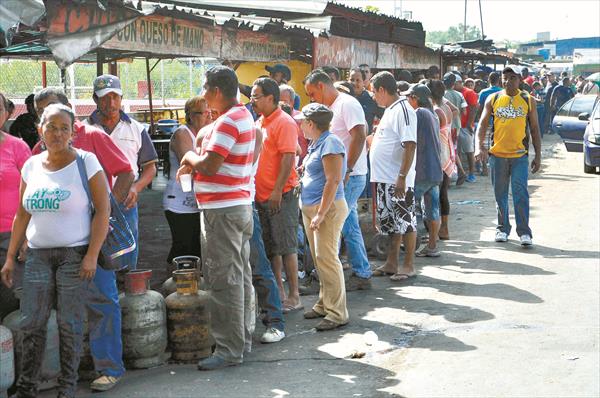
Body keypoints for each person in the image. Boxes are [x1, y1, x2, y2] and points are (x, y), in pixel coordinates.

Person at [1, 103, 110, 398]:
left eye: (64, 128)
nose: (58, 134)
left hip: (74, 256)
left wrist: (91, 255)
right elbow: (22, 214)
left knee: (69, 323)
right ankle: (27, 387)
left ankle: (67, 387)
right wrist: (11, 256)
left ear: (73, 132)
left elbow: (103, 211)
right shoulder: (32, 165)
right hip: (36, 255)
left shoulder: (86, 163)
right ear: (40, 130)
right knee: (31, 322)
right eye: (51, 127)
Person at [31, 87, 134, 392]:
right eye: (42, 111)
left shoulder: (93, 136)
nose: (49, 117)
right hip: (56, 244)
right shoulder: (40, 149)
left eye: (52, 108)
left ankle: (109, 366)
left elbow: (125, 172)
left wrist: (103, 212)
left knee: (102, 299)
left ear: (68, 110)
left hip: (92, 238)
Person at [177, 65, 255, 370]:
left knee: (225, 280)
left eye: (205, 88)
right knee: (239, 276)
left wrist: (189, 158)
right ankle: (240, 340)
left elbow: (209, 165)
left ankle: (228, 348)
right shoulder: (241, 116)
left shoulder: (228, 121)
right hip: (236, 206)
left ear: (216, 91)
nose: (202, 95)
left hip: (223, 211)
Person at [303, 70, 372, 291]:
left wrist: (347, 169)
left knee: (335, 224)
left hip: (349, 176)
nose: (312, 99)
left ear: (321, 86)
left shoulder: (347, 104)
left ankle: (335, 275)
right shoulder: (332, 108)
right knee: (347, 224)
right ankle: (359, 272)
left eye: (312, 93)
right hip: (340, 176)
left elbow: (359, 135)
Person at [295, 103, 349, 330]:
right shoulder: (317, 143)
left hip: (326, 209)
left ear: (311, 123)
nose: (300, 127)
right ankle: (324, 303)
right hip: (314, 208)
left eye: (302, 122)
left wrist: (320, 214)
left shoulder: (331, 143)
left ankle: (337, 313)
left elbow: (333, 180)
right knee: (320, 260)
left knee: (327, 259)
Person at [251, 77, 302, 313]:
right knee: (272, 247)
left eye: (256, 96)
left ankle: (294, 294)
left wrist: (276, 191)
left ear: (271, 98)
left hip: (281, 195)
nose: (252, 101)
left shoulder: (284, 122)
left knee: (287, 246)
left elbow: (288, 157)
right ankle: (279, 291)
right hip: (263, 195)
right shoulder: (261, 122)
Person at [476, 66, 542, 246]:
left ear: (519, 79)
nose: (507, 81)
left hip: (519, 156)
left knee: (520, 193)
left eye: (512, 78)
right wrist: (478, 147)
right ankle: (502, 228)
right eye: (505, 78)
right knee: (500, 195)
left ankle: (524, 232)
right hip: (497, 156)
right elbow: (481, 125)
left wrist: (538, 156)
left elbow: (535, 129)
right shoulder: (494, 98)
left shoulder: (527, 100)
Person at [368, 72, 418, 280]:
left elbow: (410, 144)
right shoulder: (390, 110)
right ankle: (392, 262)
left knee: (406, 221)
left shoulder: (404, 110)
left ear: (382, 89)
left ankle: (408, 265)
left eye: (373, 92)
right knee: (390, 223)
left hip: (396, 179)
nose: (373, 97)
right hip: (384, 178)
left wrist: (401, 176)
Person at [163, 96, 211, 264]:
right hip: (179, 202)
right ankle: (171, 286)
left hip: (198, 201)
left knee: (197, 249)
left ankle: (191, 286)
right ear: (190, 115)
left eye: (210, 113)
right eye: (203, 113)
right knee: (182, 248)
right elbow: (190, 164)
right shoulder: (182, 133)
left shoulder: (206, 135)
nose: (209, 117)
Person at [0, 92, 32, 318]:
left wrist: (28, 236)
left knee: (12, 303)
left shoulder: (18, 147)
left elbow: (34, 194)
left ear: (6, 113)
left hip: (10, 237)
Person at [403, 84, 443, 258]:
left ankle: (409, 248)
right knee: (432, 209)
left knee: (407, 208)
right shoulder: (433, 114)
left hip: (422, 169)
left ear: (415, 97)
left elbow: (412, 141)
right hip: (433, 169)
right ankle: (432, 246)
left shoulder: (419, 113)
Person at [427, 80, 457, 240]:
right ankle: (443, 228)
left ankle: (440, 229)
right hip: (447, 152)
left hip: (440, 155)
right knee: (442, 192)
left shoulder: (437, 111)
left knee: (436, 195)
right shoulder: (447, 108)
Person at [476, 72, 503, 175]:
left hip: (486, 122)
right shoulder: (503, 92)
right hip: (500, 122)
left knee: (483, 144)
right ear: (499, 80)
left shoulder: (483, 92)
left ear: (488, 80)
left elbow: (480, 107)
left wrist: (478, 119)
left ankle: (484, 168)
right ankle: (497, 166)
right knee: (498, 143)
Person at [443, 72, 468, 184]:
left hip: (446, 126)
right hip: (456, 126)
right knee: (453, 149)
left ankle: (458, 173)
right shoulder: (459, 94)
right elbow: (464, 110)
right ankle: (458, 173)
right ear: (454, 83)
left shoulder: (442, 94)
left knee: (450, 150)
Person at [455, 72, 479, 183]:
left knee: (469, 151)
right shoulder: (453, 92)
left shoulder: (469, 92)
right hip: (456, 126)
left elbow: (474, 107)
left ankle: (471, 173)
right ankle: (460, 173)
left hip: (465, 126)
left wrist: (470, 123)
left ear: (459, 83)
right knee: (457, 151)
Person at [349, 67, 380, 134]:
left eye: (358, 80)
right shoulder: (344, 98)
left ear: (363, 82)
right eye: (351, 80)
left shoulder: (372, 99)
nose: (354, 83)